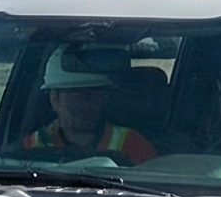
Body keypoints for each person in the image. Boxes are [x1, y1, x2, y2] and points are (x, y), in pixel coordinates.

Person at [19, 49, 159, 163]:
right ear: (55, 99)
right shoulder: (34, 145)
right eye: (78, 96)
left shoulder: (131, 143)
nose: (87, 105)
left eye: (95, 95)